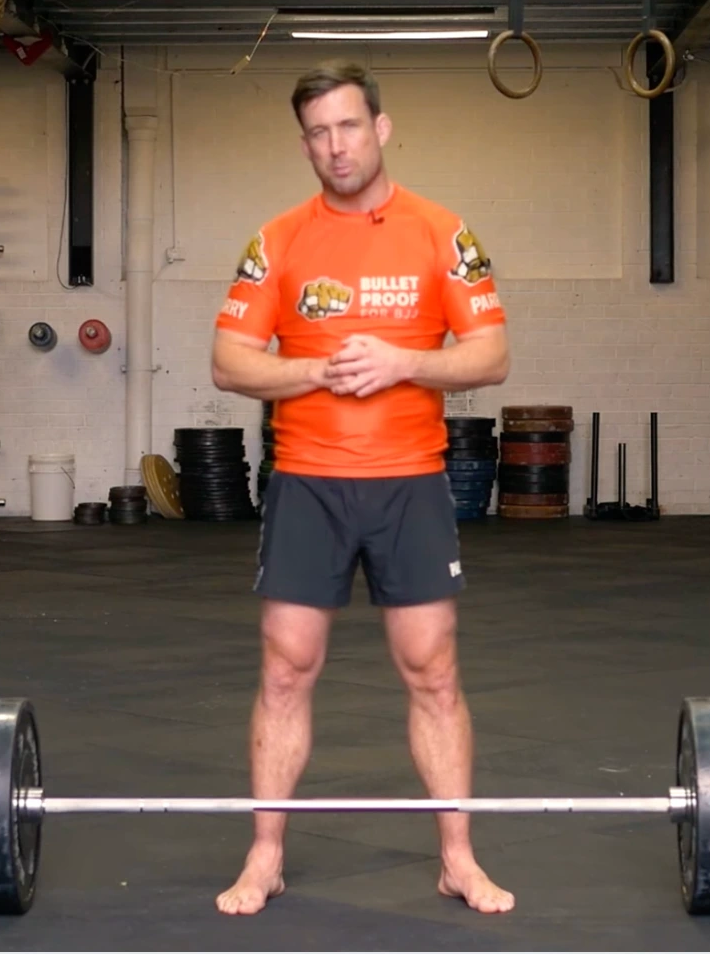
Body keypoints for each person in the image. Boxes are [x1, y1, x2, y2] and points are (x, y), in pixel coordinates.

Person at [208, 59, 513, 916]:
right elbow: (228, 362)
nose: (335, 146)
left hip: (410, 481)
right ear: (305, 144)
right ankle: (265, 855)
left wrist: (401, 362)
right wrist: (317, 372)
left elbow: (491, 355)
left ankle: (458, 858)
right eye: (318, 133)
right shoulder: (278, 241)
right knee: (285, 668)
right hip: (307, 482)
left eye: (348, 126)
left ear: (380, 128)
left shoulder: (441, 233)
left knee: (433, 670)